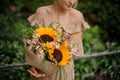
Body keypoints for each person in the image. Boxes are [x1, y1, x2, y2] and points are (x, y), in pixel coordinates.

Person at [24, 0, 89, 80]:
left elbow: (71, 51)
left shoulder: (76, 16)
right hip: (39, 69)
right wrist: (35, 67)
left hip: (63, 72)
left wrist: (48, 70)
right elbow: (32, 43)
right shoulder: (41, 12)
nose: (72, 1)